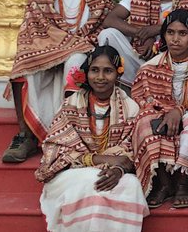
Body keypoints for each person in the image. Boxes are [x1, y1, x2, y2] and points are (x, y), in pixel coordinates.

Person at [5, 0, 115, 163]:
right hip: (47, 46)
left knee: (75, 64)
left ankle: (69, 135)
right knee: (22, 65)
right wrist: (60, 45)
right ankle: (25, 136)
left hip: (84, 48)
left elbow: (101, 29)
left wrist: (71, 46)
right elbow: (33, 26)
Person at [36, 45, 148, 232]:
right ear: (86, 73)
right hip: (71, 173)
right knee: (92, 180)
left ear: (118, 74)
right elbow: (54, 150)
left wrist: (119, 170)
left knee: (131, 186)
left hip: (112, 173)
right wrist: (100, 159)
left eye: (108, 71)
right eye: (95, 70)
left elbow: (133, 152)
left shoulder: (131, 108)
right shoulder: (71, 105)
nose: (101, 77)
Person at [130, 9, 188, 209]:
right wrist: (168, 112)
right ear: (163, 35)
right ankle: (164, 184)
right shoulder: (150, 67)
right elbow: (141, 101)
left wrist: (180, 111)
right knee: (145, 119)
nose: (175, 39)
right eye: (170, 32)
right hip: (162, 117)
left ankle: (183, 182)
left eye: (182, 34)